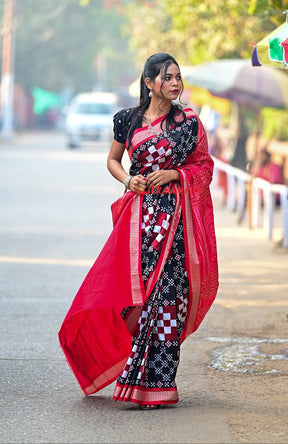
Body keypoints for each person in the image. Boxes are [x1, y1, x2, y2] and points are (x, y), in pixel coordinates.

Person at [58, 53, 218, 409]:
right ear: (149, 83)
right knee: (134, 297)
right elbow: (113, 161)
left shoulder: (189, 121)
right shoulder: (127, 120)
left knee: (168, 299)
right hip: (139, 220)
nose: (176, 84)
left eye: (178, 77)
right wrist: (130, 179)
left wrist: (176, 174)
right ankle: (122, 365)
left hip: (177, 223)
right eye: (168, 77)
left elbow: (204, 167)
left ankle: (158, 381)